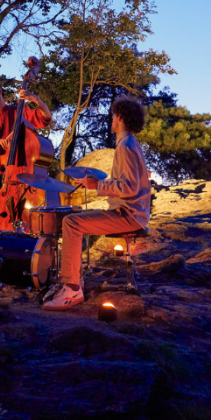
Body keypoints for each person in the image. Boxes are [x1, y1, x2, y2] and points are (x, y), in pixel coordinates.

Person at [43, 96, 151, 310]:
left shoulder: (126, 145)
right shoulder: (128, 142)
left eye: (113, 115)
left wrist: (98, 185)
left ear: (120, 117)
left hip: (129, 216)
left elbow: (129, 187)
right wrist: (97, 183)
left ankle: (72, 288)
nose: (111, 120)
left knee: (72, 223)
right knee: (75, 220)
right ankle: (74, 280)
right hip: (130, 212)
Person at [0, 74, 53, 234]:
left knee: (19, 213)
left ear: (0, 91)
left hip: (17, 171)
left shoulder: (17, 110)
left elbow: (45, 119)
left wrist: (37, 101)